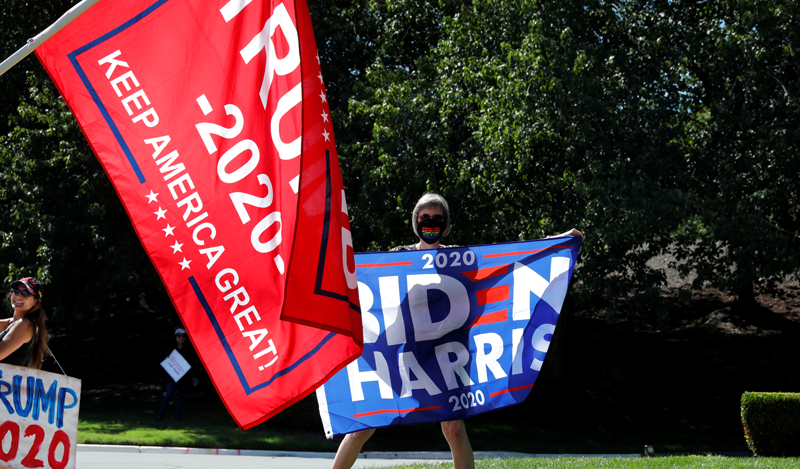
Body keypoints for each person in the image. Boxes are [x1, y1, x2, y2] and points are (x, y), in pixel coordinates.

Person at [330, 192, 582, 469]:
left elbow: (508, 263)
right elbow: (363, 286)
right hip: (405, 356)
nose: (430, 223)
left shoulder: (462, 259)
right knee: (363, 425)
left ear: (447, 226)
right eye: (424, 218)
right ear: (415, 222)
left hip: (445, 356)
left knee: (453, 428)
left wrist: (555, 243)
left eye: (437, 219)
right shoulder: (397, 258)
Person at [0, 277, 49, 369]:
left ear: (36, 302)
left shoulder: (24, 325)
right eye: (15, 291)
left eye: (25, 294)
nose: (18, 296)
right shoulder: (13, 323)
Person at [156, 328, 198, 421]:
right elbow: (166, 361)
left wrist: (193, 376)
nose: (181, 338)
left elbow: (192, 363)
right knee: (169, 394)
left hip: (185, 378)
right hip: (172, 377)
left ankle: (178, 418)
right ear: (175, 337)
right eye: (179, 335)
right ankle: (160, 416)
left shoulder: (189, 350)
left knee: (181, 397)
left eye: (183, 336)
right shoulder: (170, 348)